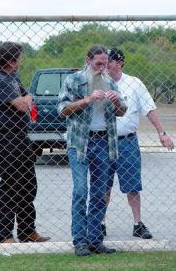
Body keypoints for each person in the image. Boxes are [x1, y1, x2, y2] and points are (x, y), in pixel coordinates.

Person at [57, 45, 127, 256]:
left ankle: (95, 240)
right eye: (98, 63)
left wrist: (116, 102)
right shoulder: (74, 80)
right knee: (81, 191)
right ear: (88, 60)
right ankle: (80, 241)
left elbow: (122, 111)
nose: (102, 68)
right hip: (80, 143)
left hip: (104, 142)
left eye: (105, 64)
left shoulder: (110, 82)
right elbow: (62, 109)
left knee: (99, 193)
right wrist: (87, 99)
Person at [103, 48, 174, 239]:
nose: (106, 64)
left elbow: (149, 109)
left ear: (120, 63)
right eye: (104, 60)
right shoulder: (98, 83)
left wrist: (162, 133)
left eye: (110, 60)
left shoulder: (134, 84)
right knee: (102, 185)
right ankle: (99, 223)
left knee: (132, 185)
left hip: (127, 141)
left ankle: (137, 223)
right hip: (103, 141)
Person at [0, 42, 50, 243]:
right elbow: (23, 105)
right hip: (5, 138)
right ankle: (4, 235)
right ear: (11, 60)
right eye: (19, 58)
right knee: (11, 185)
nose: (20, 61)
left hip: (21, 136)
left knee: (28, 184)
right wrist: (25, 100)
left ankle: (27, 231)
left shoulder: (12, 76)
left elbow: (28, 96)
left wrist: (26, 99)